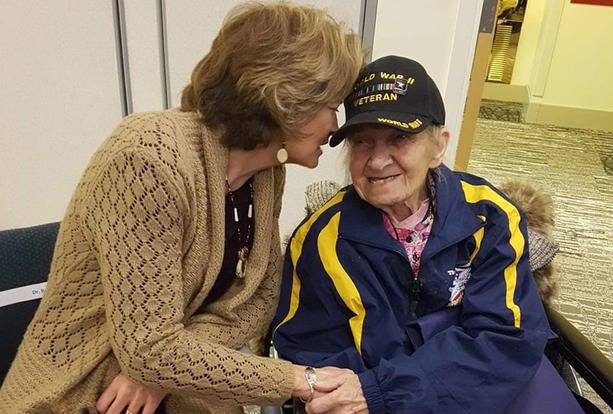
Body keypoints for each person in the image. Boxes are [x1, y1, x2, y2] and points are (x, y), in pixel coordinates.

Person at [0, 2, 363, 413]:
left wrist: (162, 369)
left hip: (156, 392)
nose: (336, 126)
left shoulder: (265, 172)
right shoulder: (147, 157)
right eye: (331, 105)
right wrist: (301, 380)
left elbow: (259, 296)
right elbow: (151, 348)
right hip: (75, 396)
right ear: (286, 98)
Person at [271, 55, 552, 413]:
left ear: (438, 146)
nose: (376, 160)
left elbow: (507, 338)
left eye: (399, 138)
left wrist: (384, 390)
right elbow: (308, 354)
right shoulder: (322, 237)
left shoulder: (490, 217)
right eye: (362, 142)